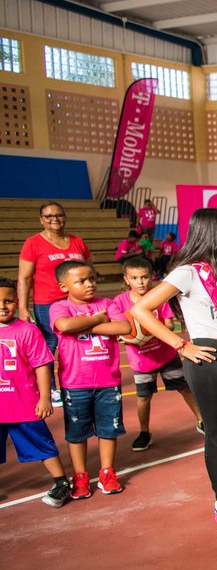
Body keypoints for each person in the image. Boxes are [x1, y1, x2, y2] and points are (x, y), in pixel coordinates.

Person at [130, 209, 217, 530]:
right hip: (205, 356)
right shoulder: (187, 272)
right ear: (216, 232)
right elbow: (141, 309)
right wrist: (181, 345)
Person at [50, 262, 131, 499]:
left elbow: (123, 326)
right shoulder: (60, 307)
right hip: (75, 383)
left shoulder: (106, 304)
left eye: (92, 279)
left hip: (108, 381)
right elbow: (64, 326)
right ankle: (81, 475)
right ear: (64, 286)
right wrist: (98, 321)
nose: (89, 284)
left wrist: (86, 325)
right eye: (81, 281)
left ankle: (107, 472)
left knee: (109, 429)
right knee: (77, 432)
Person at [112, 257, 202, 452]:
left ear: (151, 277)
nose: (141, 282)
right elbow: (118, 326)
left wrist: (147, 332)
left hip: (167, 355)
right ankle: (144, 432)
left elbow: (169, 324)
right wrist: (124, 336)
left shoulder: (158, 297)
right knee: (143, 397)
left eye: (144, 277)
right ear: (127, 280)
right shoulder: (120, 302)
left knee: (185, 388)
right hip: (141, 361)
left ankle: (201, 420)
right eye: (135, 278)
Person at [0, 277, 73, 507]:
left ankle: (61, 483)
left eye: (8, 301)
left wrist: (44, 397)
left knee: (42, 444)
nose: (3, 306)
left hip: (23, 403)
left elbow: (42, 365)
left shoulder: (28, 331)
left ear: (18, 301)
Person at [17, 201, 92, 405]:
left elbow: (88, 271)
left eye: (59, 215)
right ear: (41, 220)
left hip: (75, 302)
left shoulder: (77, 241)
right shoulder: (33, 243)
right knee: (49, 346)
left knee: (79, 343)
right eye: (49, 216)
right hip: (47, 303)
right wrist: (23, 308)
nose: (55, 219)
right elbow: (24, 278)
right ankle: (49, 390)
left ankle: (80, 383)